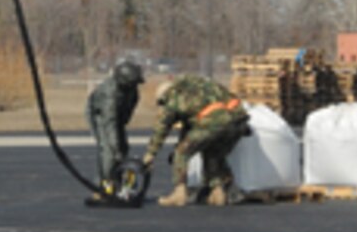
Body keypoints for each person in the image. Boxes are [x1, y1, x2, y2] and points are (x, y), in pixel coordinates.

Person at [141, 74, 250, 207]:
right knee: (213, 154)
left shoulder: (173, 97)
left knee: (181, 153)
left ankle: (179, 194)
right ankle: (218, 193)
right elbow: (189, 129)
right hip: (238, 121)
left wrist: (150, 154)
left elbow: (162, 128)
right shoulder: (198, 86)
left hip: (214, 122)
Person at [86, 58, 144, 192]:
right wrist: (115, 148)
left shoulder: (132, 90)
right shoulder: (109, 93)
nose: (135, 86)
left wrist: (122, 125)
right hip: (100, 115)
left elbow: (129, 108)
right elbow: (109, 123)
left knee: (123, 147)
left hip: (117, 115)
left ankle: (119, 181)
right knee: (108, 151)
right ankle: (104, 184)